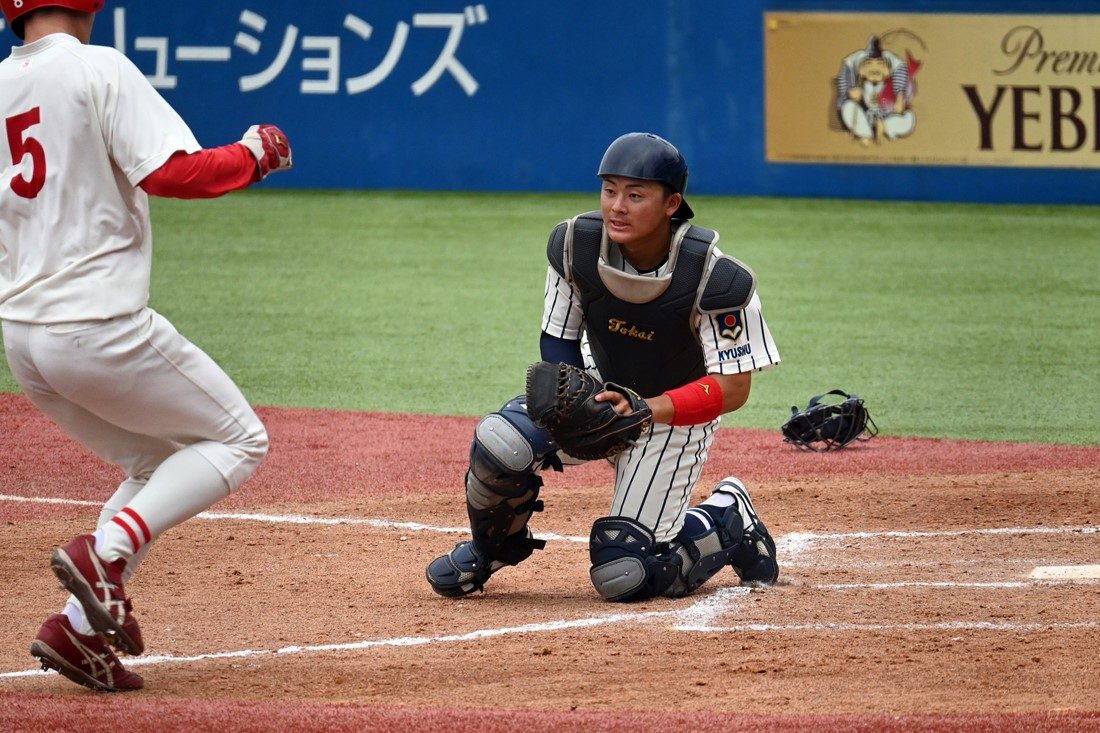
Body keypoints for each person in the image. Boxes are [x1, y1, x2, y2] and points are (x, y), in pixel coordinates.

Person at [1, 0, 292, 692]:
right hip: (99, 326)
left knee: (156, 459)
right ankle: (106, 555)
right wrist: (254, 153)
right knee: (239, 439)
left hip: (23, 343)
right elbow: (174, 173)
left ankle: (75, 626)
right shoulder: (97, 68)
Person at [425, 132, 780, 603]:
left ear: (672, 202)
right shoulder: (575, 246)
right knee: (502, 443)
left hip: (672, 413)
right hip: (602, 385)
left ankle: (726, 519)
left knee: (629, 572)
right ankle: (490, 547)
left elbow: (733, 389)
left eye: (635, 195)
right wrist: (577, 403)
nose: (618, 206)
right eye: (610, 190)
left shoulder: (716, 278)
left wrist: (647, 409)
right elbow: (558, 338)